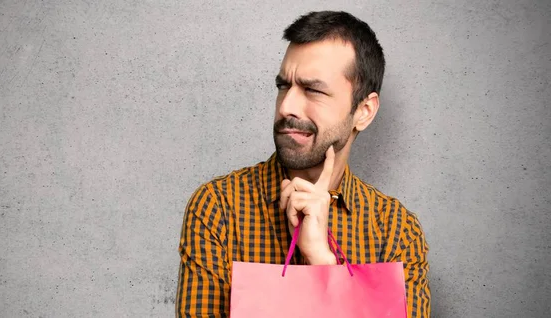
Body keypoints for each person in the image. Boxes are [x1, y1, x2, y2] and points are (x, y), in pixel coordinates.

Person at [176, 10, 430, 317]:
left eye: (313, 90)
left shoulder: (397, 231)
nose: (286, 106)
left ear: (363, 111)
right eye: (284, 86)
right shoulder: (219, 207)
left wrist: (323, 264)